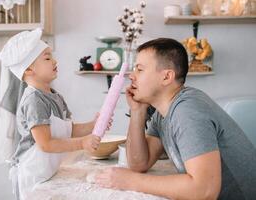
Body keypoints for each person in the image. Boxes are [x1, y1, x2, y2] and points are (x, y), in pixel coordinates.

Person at [96, 38, 256, 200]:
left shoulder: (187, 111)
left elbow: (205, 190)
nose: (131, 76)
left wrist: (130, 181)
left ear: (166, 77)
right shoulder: (163, 112)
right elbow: (139, 163)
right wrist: (137, 112)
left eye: (139, 69)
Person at [0, 28, 109, 200]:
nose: (55, 61)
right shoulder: (34, 100)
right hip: (33, 177)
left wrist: (93, 125)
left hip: (48, 173)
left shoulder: (54, 96)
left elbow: (68, 129)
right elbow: (46, 144)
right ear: (28, 70)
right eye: (48, 57)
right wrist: (83, 143)